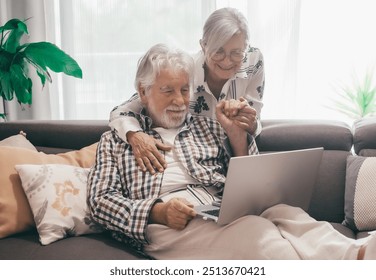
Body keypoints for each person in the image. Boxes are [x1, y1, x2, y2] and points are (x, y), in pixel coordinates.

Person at [88, 43, 376, 260]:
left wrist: (236, 134)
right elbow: (99, 202)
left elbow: (250, 178)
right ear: (142, 92)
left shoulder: (206, 126)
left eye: (185, 91)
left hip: (218, 210)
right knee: (256, 232)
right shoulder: (115, 141)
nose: (179, 101)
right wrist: (157, 212)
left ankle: (359, 255)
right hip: (167, 222)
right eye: (167, 91)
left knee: (285, 212)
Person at [109, 7, 264, 174]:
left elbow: (254, 121)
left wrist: (250, 122)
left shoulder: (253, 61)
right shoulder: (186, 71)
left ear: (246, 48)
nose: (227, 61)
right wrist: (135, 135)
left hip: (231, 153)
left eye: (236, 53)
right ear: (203, 46)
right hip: (196, 156)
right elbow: (122, 111)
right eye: (218, 51)